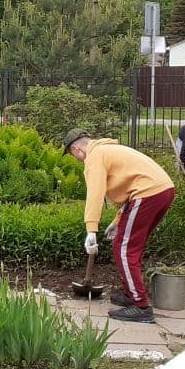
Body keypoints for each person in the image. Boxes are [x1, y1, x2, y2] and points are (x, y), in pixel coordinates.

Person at [63, 128, 176, 324]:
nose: (76, 159)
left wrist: (91, 229)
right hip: (161, 190)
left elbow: (95, 193)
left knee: (124, 249)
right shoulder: (107, 150)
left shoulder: (95, 156)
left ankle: (140, 307)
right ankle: (132, 294)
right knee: (131, 245)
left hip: (148, 193)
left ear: (76, 149)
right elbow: (129, 193)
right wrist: (116, 222)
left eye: (73, 155)